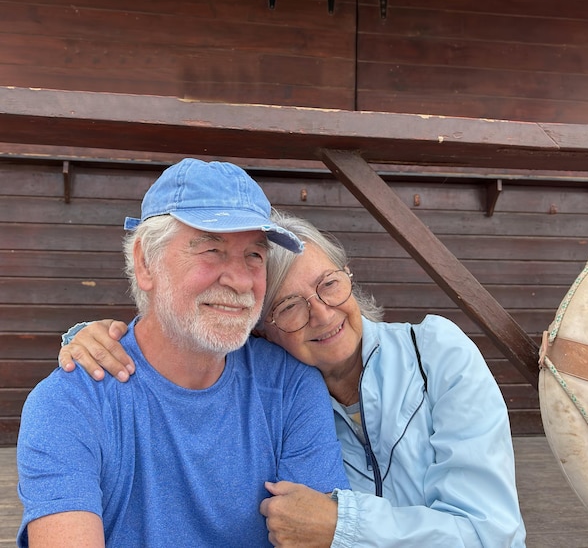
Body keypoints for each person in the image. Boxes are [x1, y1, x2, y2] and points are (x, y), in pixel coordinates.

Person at [59, 211, 527, 547]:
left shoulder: (436, 353)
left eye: (328, 284)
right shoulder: (285, 397)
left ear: (349, 279)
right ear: (259, 332)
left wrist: (343, 525)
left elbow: (492, 534)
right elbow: (186, 336)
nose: (322, 314)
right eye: (289, 306)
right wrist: (94, 337)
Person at [16, 159, 349, 548]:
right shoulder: (70, 403)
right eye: (211, 249)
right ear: (145, 263)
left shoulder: (290, 386)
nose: (241, 280)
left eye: (255, 256)